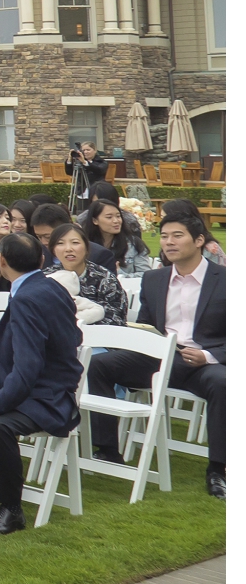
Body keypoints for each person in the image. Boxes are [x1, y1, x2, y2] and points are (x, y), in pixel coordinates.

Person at [85, 210, 226, 496]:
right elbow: (148, 325)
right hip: (159, 357)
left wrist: (209, 356)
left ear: (199, 240)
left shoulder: (226, 280)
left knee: (225, 383)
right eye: (164, 236)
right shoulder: (154, 278)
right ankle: (108, 449)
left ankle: (218, 468)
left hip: (203, 362)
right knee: (98, 365)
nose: (168, 243)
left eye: (177, 236)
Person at [0, 232, 85, 533]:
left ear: (2, 261)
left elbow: (28, 367)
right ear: (41, 259)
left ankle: (11, 509)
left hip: (46, 397)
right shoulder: (50, 286)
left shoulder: (29, 296)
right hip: (30, 386)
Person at [48, 221, 126, 325]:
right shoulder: (46, 277)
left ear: (86, 247)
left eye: (75, 243)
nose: (68, 249)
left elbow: (117, 317)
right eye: (60, 243)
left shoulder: (105, 278)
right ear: (53, 250)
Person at [70, 142, 111, 207]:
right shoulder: (79, 163)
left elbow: (99, 170)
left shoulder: (101, 162)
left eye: (88, 150)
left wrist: (85, 162)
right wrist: (69, 160)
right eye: (83, 150)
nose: (85, 152)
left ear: (95, 150)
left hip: (96, 192)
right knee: (81, 212)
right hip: (82, 191)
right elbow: (69, 172)